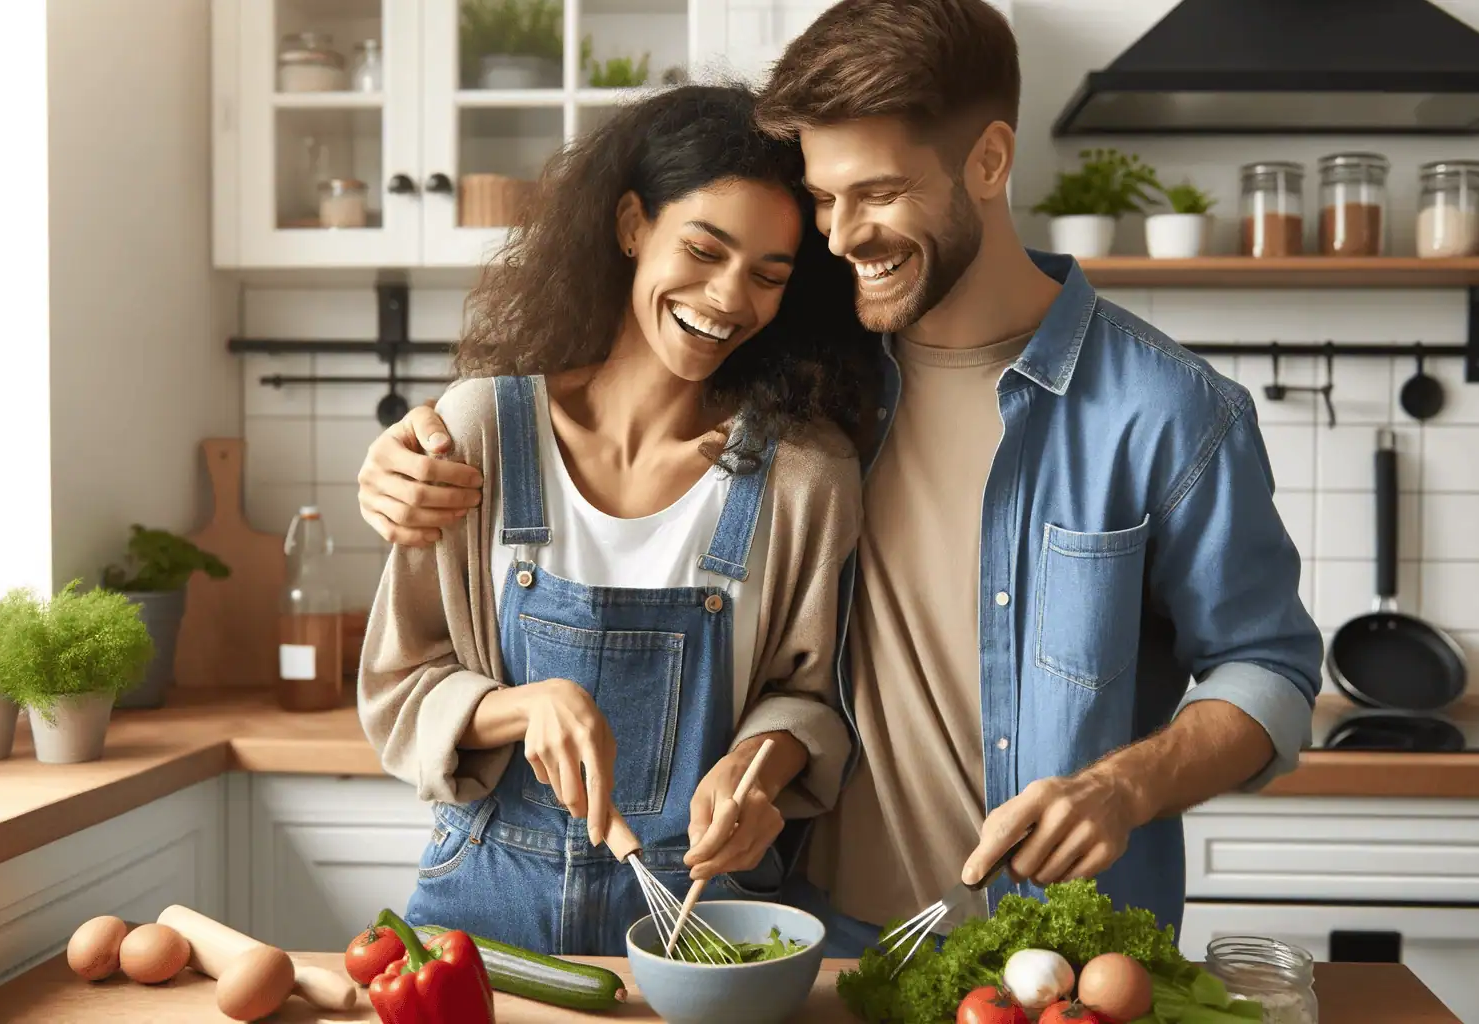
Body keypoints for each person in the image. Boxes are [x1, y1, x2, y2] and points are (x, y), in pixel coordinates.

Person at [356, 0, 1322, 959]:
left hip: (1057, 955)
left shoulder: (1166, 411)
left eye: (880, 191)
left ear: (989, 161)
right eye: (824, 199)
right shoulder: (823, 386)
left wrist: (1124, 787)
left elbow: (1269, 670)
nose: (843, 236)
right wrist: (399, 462)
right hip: (835, 941)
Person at [355, 83, 879, 957]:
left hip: (705, 913)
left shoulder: (805, 473)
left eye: (768, 275)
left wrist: (757, 770)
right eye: (703, 249)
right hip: (484, 904)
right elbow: (399, 682)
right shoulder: (481, 429)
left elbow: (812, 698)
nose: (728, 297)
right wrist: (523, 707)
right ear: (633, 224)